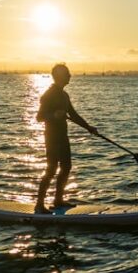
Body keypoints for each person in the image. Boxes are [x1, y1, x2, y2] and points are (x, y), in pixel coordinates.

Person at [35, 63, 97, 213]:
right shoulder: (48, 95)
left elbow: (74, 115)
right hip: (52, 137)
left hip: (63, 136)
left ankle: (58, 200)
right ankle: (39, 205)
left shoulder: (64, 95)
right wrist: (54, 115)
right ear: (59, 76)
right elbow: (39, 117)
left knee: (66, 167)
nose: (70, 76)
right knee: (51, 170)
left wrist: (89, 128)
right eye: (67, 73)